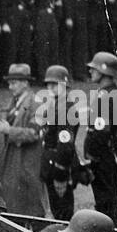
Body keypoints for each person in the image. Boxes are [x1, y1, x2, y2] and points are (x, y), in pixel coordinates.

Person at [0, 63, 45, 218]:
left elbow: (33, 133)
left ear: (25, 83)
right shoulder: (14, 102)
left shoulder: (36, 104)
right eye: (9, 83)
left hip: (25, 165)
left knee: (27, 211)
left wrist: (8, 131)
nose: (10, 87)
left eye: (14, 83)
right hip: (9, 166)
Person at [82, 52, 117, 224]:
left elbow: (102, 131)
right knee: (103, 202)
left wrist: (92, 156)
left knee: (107, 203)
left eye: (94, 69)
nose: (91, 71)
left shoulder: (110, 95)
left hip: (105, 155)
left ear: (105, 71)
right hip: (104, 153)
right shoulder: (105, 93)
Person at [38, 64, 76, 221]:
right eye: (49, 84)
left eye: (55, 84)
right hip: (50, 164)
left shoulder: (66, 108)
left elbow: (65, 145)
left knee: (62, 214)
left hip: (58, 166)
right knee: (56, 210)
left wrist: (60, 174)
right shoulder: (55, 105)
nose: (51, 88)